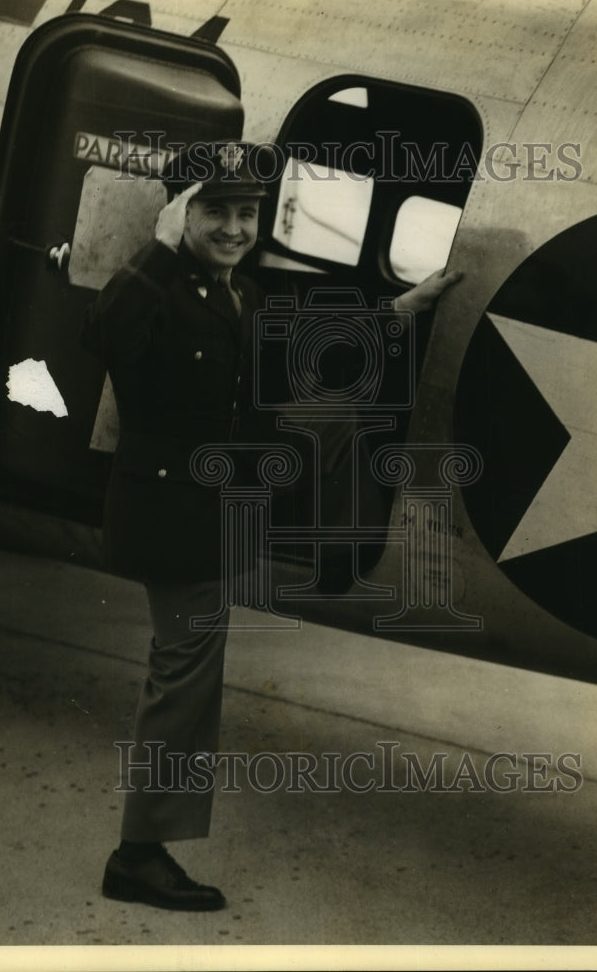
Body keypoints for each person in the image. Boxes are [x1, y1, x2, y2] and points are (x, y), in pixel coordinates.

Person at [83, 140, 461, 912]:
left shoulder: (238, 296)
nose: (232, 227)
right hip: (170, 512)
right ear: (178, 214)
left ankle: (321, 548)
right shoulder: (157, 290)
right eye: (214, 210)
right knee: (183, 672)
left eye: (247, 212)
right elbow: (104, 333)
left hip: (214, 499)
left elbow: (291, 359)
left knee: (341, 409)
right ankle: (139, 854)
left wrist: (396, 312)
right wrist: (154, 250)